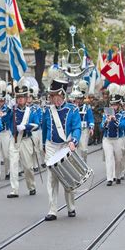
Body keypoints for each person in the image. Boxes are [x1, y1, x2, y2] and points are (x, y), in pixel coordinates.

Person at [42, 66, 81, 221]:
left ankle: (71, 206)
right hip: (51, 145)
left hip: (66, 145)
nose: (54, 99)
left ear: (63, 95)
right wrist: (44, 146)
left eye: (56, 95)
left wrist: (74, 141)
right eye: (52, 96)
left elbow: (77, 127)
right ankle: (52, 210)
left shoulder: (72, 110)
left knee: (67, 177)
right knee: (51, 178)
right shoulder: (47, 111)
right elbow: (45, 129)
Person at [7, 77, 39, 198]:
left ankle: (31, 186)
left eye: (22, 97)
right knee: (13, 165)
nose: (20, 99)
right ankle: (14, 189)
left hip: (25, 140)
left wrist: (25, 126)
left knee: (28, 167)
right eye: (18, 97)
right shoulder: (13, 109)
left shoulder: (31, 111)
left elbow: (36, 124)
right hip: (14, 140)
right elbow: (3, 120)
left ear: (26, 98)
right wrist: (8, 108)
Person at [101, 84, 125, 186]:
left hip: (118, 139)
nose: (113, 107)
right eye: (112, 104)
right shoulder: (106, 114)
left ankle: (118, 175)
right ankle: (109, 178)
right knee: (109, 158)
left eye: (115, 105)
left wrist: (116, 121)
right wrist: (106, 122)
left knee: (119, 159)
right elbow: (101, 127)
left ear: (119, 105)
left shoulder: (122, 115)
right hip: (107, 139)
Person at [0, 78, 12, 180]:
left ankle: (8, 172)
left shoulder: (8, 108)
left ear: (5, 100)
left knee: (6, 155)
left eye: (2, 100)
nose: (0, 102)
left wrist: (4, 115)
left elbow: (7, 120)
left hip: (5, 133)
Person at [72, 80, 94, 162]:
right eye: (77, 98)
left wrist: (91, 128)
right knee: (74, 148)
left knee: (83, 148)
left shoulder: (87, 107)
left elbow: (91, 119)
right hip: (75, 129)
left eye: (80, 99)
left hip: (84, 130)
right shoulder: (72, 107)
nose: (79, 100)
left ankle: (84, 162)